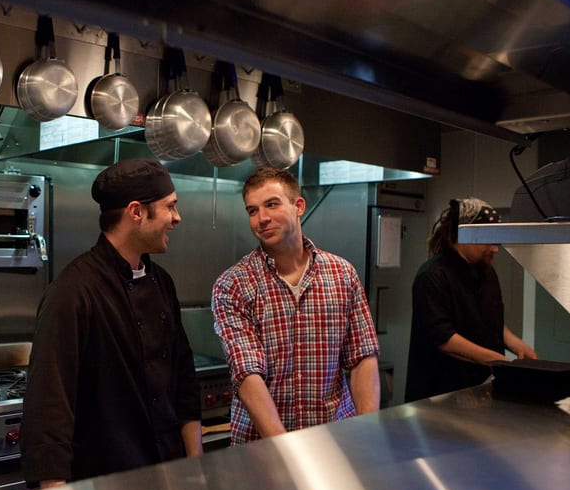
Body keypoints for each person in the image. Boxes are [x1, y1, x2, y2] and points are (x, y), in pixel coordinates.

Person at [21, 158, 202, 488]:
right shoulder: (73, 292)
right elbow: (49, 407)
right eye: (170, 207)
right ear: (136, 212)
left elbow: (185, 381)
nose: (177, 218)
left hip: (168, 472)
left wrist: (195, 469)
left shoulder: (162, 282)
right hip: (103, 484)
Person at [211, 167, 380, 444]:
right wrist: (285, 449)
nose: (261, 218)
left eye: (272, 204)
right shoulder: (233, 284)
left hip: (335, 440)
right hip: (263, 449)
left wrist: (368, 430)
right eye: (252, 211)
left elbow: (362, 357)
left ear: (299, 206)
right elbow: (247, 373)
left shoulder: (342, 274)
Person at [406, 197, 537, 402]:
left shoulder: (486, 272)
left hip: (480, 391)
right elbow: (445, 339)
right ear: (460, 236)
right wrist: (500, 361)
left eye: (496, 240)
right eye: (487, 239)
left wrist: (517, 345)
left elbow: (491, 321)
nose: (495, 248)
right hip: (439, 396)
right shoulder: (432, 276)